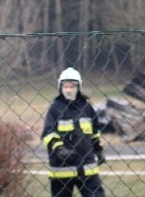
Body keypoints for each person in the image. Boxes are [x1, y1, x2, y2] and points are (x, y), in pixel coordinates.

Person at [42, 67, 106, 197]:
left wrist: (98, 149)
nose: (69, 89)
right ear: (60, 88)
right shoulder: (55, 108)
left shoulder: (87, 107)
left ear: (79, 87)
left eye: (72, 86)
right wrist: (59, 149)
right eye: (66, 86)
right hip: (62, 170)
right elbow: (48, 133)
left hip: (87, 169)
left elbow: (94, 132)